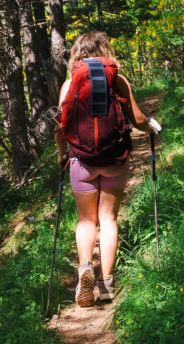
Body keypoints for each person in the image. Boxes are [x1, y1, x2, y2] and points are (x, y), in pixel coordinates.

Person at [54, 30, 161, 307]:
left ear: (78, 53)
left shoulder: (69, 85)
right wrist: (151, 125)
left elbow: (60, 125)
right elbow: (137, 119)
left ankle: (85, 267)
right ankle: (106, 283)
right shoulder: (118, 79)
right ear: (105, 51)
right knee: (108, 220)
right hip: (114, 158)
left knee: (86, 220)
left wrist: (62, 154)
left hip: (81, 160)